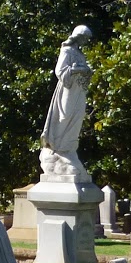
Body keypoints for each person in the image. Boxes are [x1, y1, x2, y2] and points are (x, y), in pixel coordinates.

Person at [40, 25, 93, 179]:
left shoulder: (80, 54)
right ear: (78, 36)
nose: (85, 41)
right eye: (84, 38)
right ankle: (58, 149)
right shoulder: (67, 50)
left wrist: (86, 71)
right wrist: (76, 70)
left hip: (79, 90)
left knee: (76, 119)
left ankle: (68, 151)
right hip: (68, 89)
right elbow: (60, 71)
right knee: (64, 117)